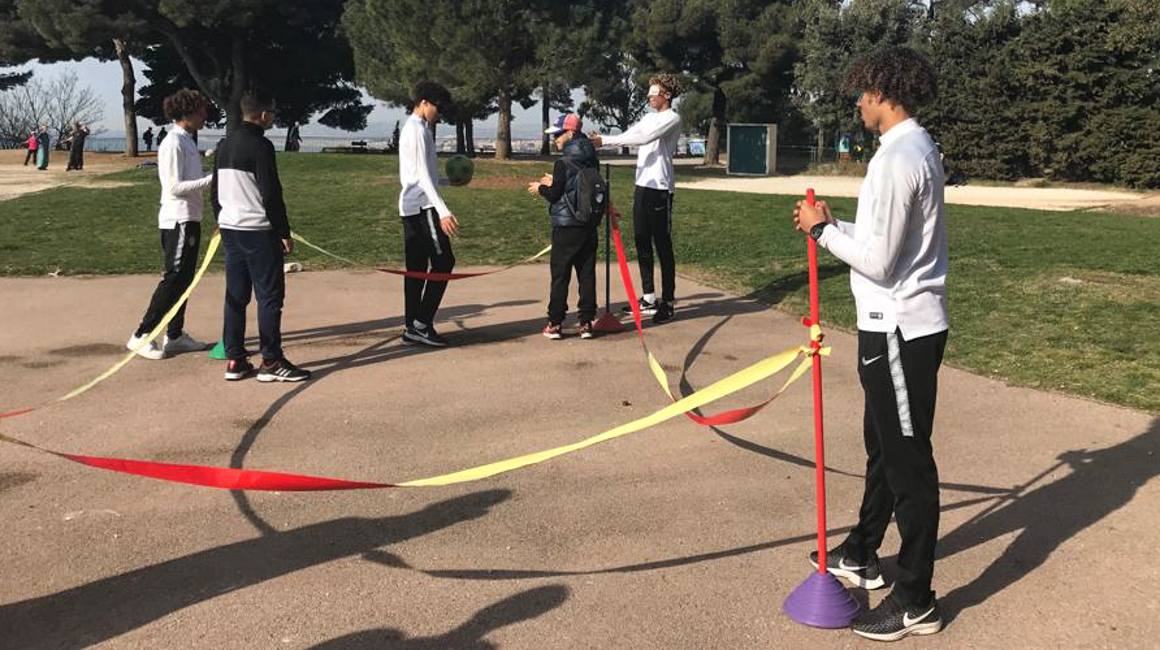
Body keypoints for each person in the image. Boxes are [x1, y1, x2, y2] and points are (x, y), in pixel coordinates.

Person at [793, 45, 948, 642]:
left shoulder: (897, 158)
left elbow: (881, 263)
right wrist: (838, 225)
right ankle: (862, 551)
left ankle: (916, 600)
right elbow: (890, 240)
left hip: (899, 327)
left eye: (862, 92)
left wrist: (823, 232)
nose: (858, 102)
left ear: (882, 92)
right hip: (893, 326)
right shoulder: (913, 146)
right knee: (882, 446)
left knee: (908, 466)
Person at [212, 90, 311, 382]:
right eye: (273, 113)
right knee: (269, 297)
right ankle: (271, 360)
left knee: (236, 295)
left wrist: (221, 218)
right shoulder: (261, 146)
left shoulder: (224, 144)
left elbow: (215, 192)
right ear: (264, 114)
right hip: (258, 231)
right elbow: (271, 193)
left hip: (231, 229)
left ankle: (235, 359)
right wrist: (283, 231)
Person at [126, 90, 217, 360]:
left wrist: (211, 172)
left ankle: (174, 335)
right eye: (201, 110)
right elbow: (174, 187)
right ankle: (142, 335)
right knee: (174, 278)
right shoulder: (173, 143)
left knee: (185, 280)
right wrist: (214, 178)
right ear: (187, 113)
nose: (205, 115)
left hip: (191, 218)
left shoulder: (187, 141)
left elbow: (191, 179)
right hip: (177, 219)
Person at [590, 73, 682, 325]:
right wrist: (601, 142)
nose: (649, 97)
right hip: (642, 186)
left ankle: (668, 302)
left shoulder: (672, 118)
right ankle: (649, 297)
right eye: (649, 93)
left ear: (667, 95)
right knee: (641, 240)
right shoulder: (649, 117)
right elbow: (631, 134)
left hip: (660, 188)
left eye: (654, 93)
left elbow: (644, 138)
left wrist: (603, 140)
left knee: (662, 245)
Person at [527, 113, 600, 340]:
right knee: (587, 274)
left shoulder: (562, 162)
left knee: (560, 276)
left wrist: (540, 187)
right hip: (588, 224)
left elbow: (554, 194)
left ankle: (555, 323)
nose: (555, 139)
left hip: (566, 226)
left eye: (558, 134)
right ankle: (586, 322)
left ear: (570, 133)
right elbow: (580, 185)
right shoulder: (592, 158)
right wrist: (556, 181)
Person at [397, 80, 459, 347]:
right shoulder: (416, 130)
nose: (439, 113)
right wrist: (443, 211)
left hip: (412, 206)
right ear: (423, 103)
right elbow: (421, 176)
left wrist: (447, 182)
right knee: (444, 262)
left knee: (417, 269)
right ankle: (421, 324)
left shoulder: (419, 128)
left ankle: (412, 326)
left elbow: (418, 174)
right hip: (423, 208)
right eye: (438, 107)